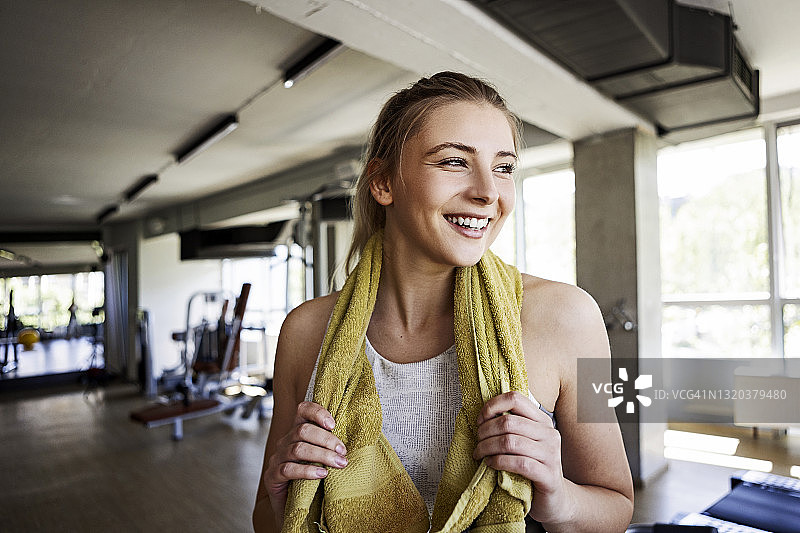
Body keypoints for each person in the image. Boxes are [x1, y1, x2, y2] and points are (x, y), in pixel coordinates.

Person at [253, 72, 633, 532]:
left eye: (503, 167)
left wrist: (557, 496)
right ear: (383, 183)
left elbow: (617, 507)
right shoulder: (305, 331)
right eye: (455, 161)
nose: (488, 192)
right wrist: (284, 498)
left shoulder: (567, 317)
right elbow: (266, 519)